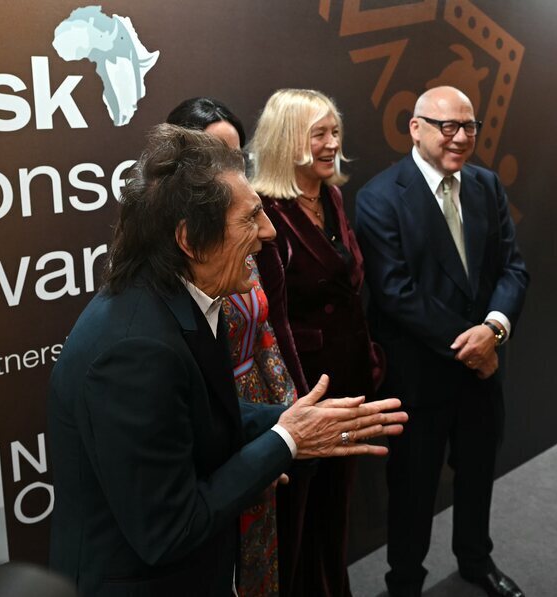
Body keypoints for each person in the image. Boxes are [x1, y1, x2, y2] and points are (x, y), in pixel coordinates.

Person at [47, 125, 407, 597]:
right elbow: (169, 530)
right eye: (250, 218)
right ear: (190, 241)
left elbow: (197, 415)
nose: (269, 232)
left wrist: (292, 420)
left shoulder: (188, 299)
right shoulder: (134, 353)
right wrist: (285, 441)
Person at [354, 86, 529, 597]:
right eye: (446, 126)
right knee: (412, 490)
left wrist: (493, 331)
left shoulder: (486, 186)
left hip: (484, 370)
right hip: (419, 379)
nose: (459, 138)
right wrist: (473, 348)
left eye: (469, 127)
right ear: (415, 127)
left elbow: (512, 269)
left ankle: (476, 563)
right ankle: (404, 583)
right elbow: (396, 293)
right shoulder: (380, 197)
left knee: (477, 477)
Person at [167, 97, 305, 596]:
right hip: (216, 427)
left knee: (261, 550)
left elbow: (266, 327)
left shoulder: (243, 241)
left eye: (237, 158)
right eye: (215, 158)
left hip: (257, 412)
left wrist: (287, 412)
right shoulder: (181, 259)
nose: (232, 171)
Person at [250, 88, 382, 597]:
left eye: (335, 132)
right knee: (299, 523)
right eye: (320, 134)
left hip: (349, 379)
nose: (332, 144)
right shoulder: (266, 213)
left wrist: (368, 359)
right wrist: (297, 402)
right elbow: (272, 320)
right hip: (305, 395)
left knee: (334, 515)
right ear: (288, 141)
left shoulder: (331, 196)